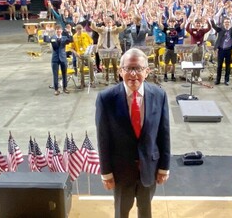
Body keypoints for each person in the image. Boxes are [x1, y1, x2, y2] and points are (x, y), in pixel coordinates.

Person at [95, 48, 170, 218]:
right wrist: (106, 172)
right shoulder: (106, 98)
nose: (133, 74)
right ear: (120, 71)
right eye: (128, 68)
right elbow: (103, 139)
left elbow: (163, 133)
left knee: (146, 212)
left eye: (138, 69)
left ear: (147, 71)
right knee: (121, 212)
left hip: (149, 168)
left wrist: (164, 167)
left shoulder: (159, 95)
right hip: (121, 172)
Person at [44, 24, 73, 96]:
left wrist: (70, 32)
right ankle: (56, 89)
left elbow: (71, 40)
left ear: (62, 31)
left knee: (64, 74)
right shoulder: (52, 37)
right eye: (57, 30)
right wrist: (46, 32)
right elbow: (46, 40)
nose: (59, 31)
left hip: (63, 58)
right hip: (55, 59)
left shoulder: (64, 38)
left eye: (60, 29)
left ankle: (65, 88)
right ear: (55, 31)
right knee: (55, 74)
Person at [72, 24, 95, 89]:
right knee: (80, 68)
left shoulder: (86, 35)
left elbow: (91, 42)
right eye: (78, 30)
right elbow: (71, 47)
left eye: (80, 29)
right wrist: (75, 53)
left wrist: (89, 50)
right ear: (76, 30)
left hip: (87, 53)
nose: (79, 31)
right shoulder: (74, 37)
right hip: (79, 55)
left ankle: (92, 81)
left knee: (91, 64)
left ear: (82, 29)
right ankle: (82, 83)